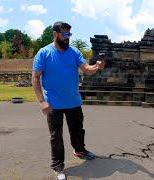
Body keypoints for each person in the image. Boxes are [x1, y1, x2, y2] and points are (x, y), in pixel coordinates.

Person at [32, 21, 105, 180]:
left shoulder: (74, 52)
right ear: (55, 34)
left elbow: (87, 70)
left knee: (78, 131)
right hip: (53, 104)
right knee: (56, 136)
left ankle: (80, 150)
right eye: (64, 34)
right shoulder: (44, 53)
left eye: (69, 34)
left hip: (73, 101)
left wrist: (97, 67)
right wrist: (42, 101)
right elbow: (36, 78)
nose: (67, 38)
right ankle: (58, 166)